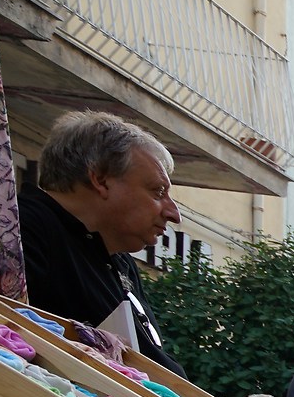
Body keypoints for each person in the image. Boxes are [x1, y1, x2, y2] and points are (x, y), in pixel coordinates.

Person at [17, 113, 184, 368]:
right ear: (101, 179)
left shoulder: (119, 259)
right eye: (158, 192)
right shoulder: (24, 227)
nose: (174, 214)